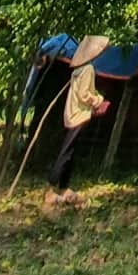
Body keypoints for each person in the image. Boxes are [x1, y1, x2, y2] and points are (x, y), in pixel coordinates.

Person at [45, 34, 112, 207]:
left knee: (70, 152)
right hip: (79, 115)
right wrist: (98, 100)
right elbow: (84, 94)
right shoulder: (88, 69)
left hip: (72, 113)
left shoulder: (78, 69)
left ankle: (64, 187)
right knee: (66, 152)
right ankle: (51, 189)